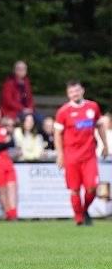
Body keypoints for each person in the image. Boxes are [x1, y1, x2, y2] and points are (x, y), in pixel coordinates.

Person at [54, 80, 108, 226]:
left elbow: (100, 126)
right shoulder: (63, 112)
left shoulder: (93, 107)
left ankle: (84, 210)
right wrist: (60, 154)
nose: (75, 94)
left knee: (92, 188)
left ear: (82, 90)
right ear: (68, 94)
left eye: (77, 90)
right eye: (71, 92)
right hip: (71, 157)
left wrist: (105, 145)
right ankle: (79, 218)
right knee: (75, 189)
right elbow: (57, 134)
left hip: (89, 156)